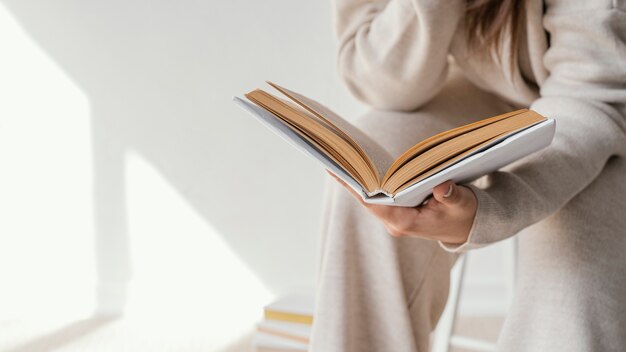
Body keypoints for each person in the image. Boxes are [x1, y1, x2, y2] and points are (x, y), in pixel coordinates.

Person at [310, 0, 626, 351]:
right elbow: (374, 78)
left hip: (609, 83)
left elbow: (595, 97)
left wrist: (490, 209)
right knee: (375, 175)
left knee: (571, 277)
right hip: (497, 85)